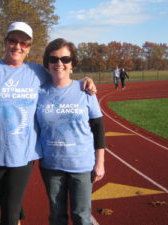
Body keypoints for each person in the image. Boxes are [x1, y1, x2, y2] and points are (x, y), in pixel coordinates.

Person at [0, 22, 96, 225]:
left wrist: (85, 80)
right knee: (7, 201)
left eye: (24, 43)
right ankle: (16, 213)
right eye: (13, 41)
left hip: (24, 151)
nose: (18, 46)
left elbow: (61, 75)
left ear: (29, 47)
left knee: (9, 211)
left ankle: (13, 216)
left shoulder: (35, 71)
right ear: (5, 42)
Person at [37, 38, 105, 225]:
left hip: (81, 165)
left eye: (65, 59)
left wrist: (100, 163)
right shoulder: (39, 93)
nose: (59, 63)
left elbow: (98, 128)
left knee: (81, 217)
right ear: (47, 63)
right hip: (51, 166)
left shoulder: (85, 90)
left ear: (72, 63)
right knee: (57, 217)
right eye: (54, 59)